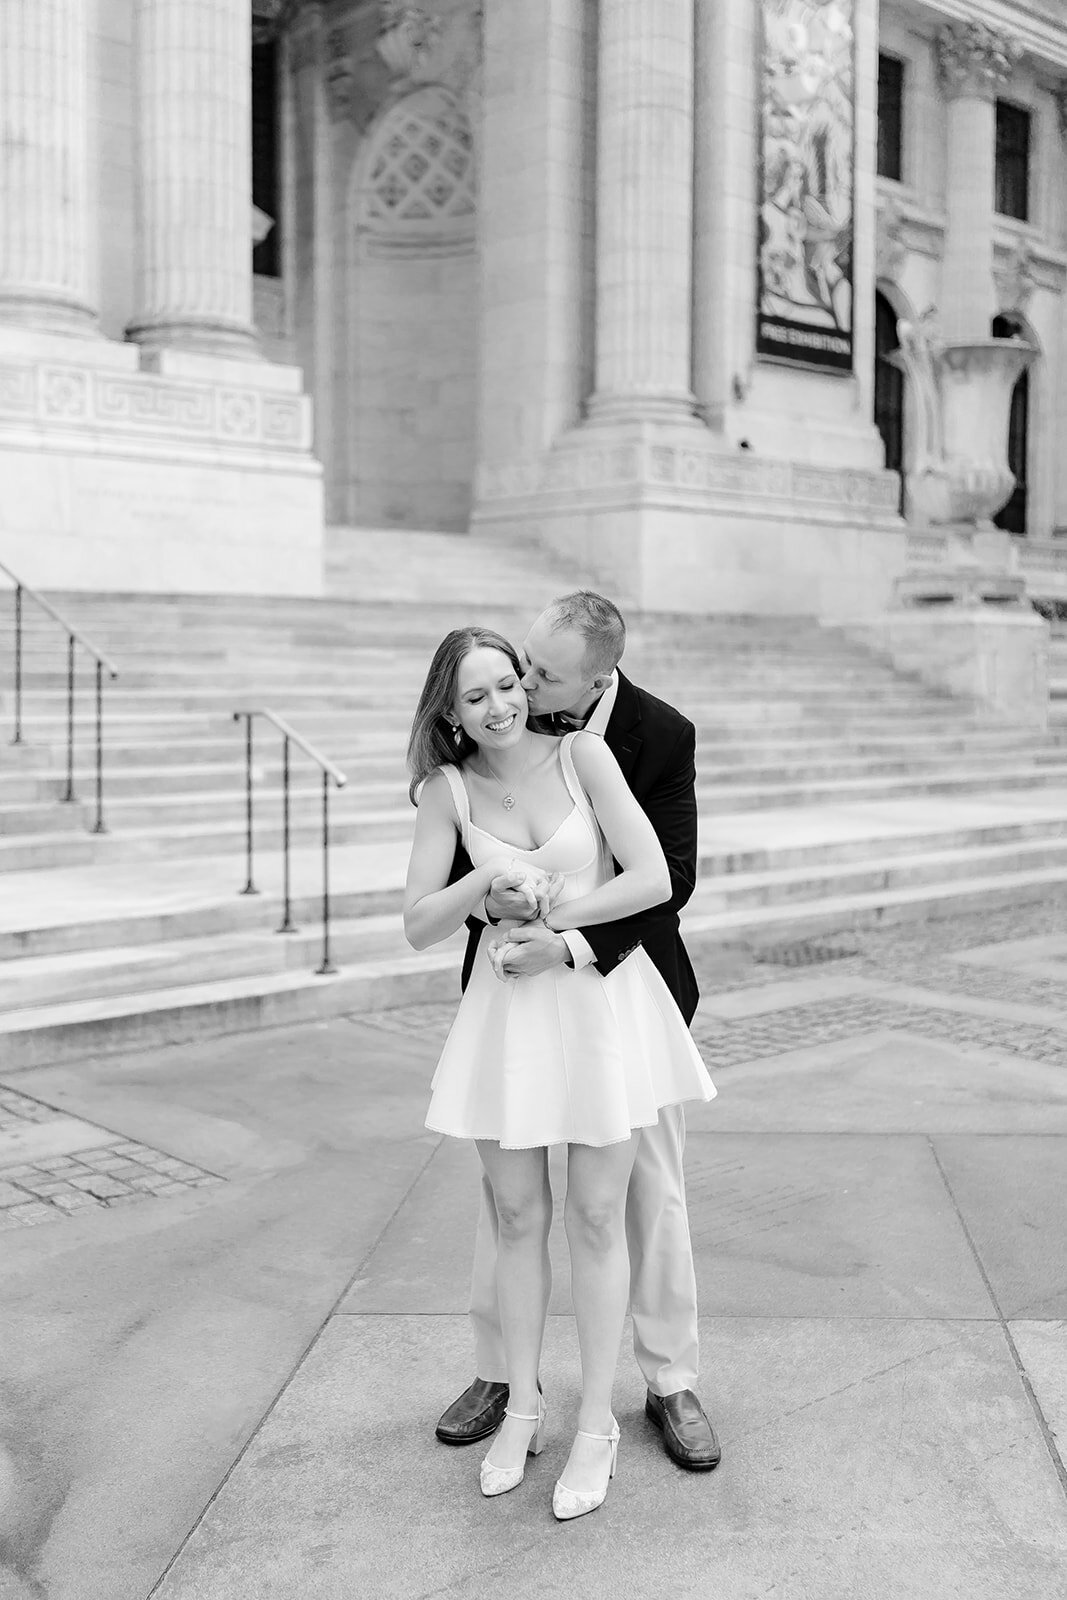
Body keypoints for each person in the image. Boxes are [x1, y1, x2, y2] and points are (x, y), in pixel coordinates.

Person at [404, 623, 715, 1519]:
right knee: (512, 1214)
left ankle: (600, 1423)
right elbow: (419, 921)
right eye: (479, 693)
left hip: (601, 1004)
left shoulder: (587, 752)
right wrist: (484, 889)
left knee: (602, 1213)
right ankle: (520, 1404)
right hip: (507, 1017)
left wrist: (564, 932)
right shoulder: (444, 790)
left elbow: (659, 876)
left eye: (513, 682)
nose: (505, 702)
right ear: (450, 710)